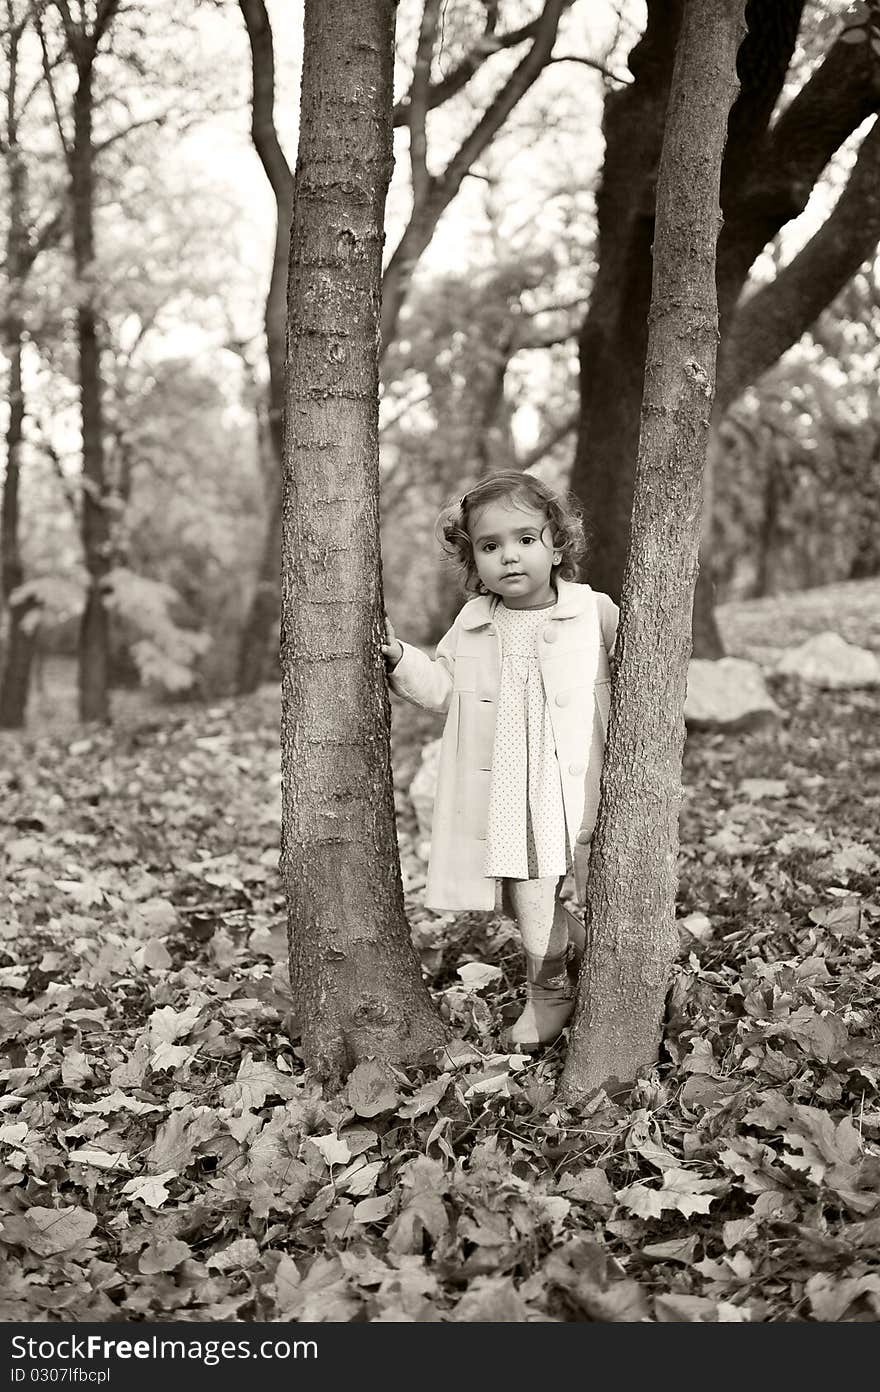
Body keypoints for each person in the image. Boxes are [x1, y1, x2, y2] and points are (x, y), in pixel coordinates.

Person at [381, 471, 618, 1050]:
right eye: (490, 547)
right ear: (473, 560)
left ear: (556, 544)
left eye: (525, 540)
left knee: (566, 882)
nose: (509, 557)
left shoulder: (596, 612)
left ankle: (570, 976)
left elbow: (639, 680)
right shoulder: (473, 622)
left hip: (571, 777)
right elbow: (443, 689)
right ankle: (561, 970)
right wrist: (399, 659)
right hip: (508, 783)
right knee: (521, 891)